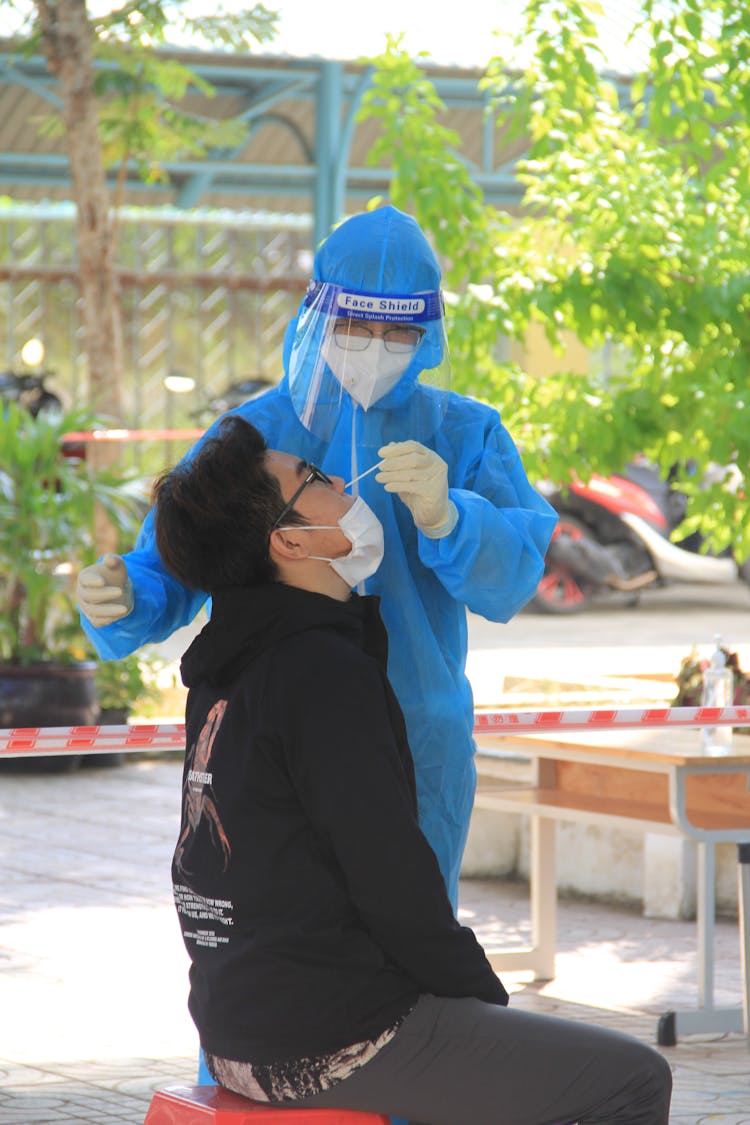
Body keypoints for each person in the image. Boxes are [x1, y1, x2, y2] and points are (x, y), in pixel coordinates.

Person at [150, 413, 672, 1125]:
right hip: (329, 1038)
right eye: (312, 479)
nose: (338, 480)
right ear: (292, 541)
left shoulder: (225, 668)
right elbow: (391, 877)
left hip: (236, 1032)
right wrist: (484, 999)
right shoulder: (320, 671)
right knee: (635, 1077)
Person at [77, 205, 557, 910]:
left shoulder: (465, 433)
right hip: (273, 724)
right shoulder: (257, 432)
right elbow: (184, 552)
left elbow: (512, 577)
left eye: (398, 332)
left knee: (408, 930)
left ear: (426, 335)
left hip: (414, 734)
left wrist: (453, 517)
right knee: (283, 928)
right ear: (316, 316)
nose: (374, 347)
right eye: (355, 327)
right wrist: (129, 596)